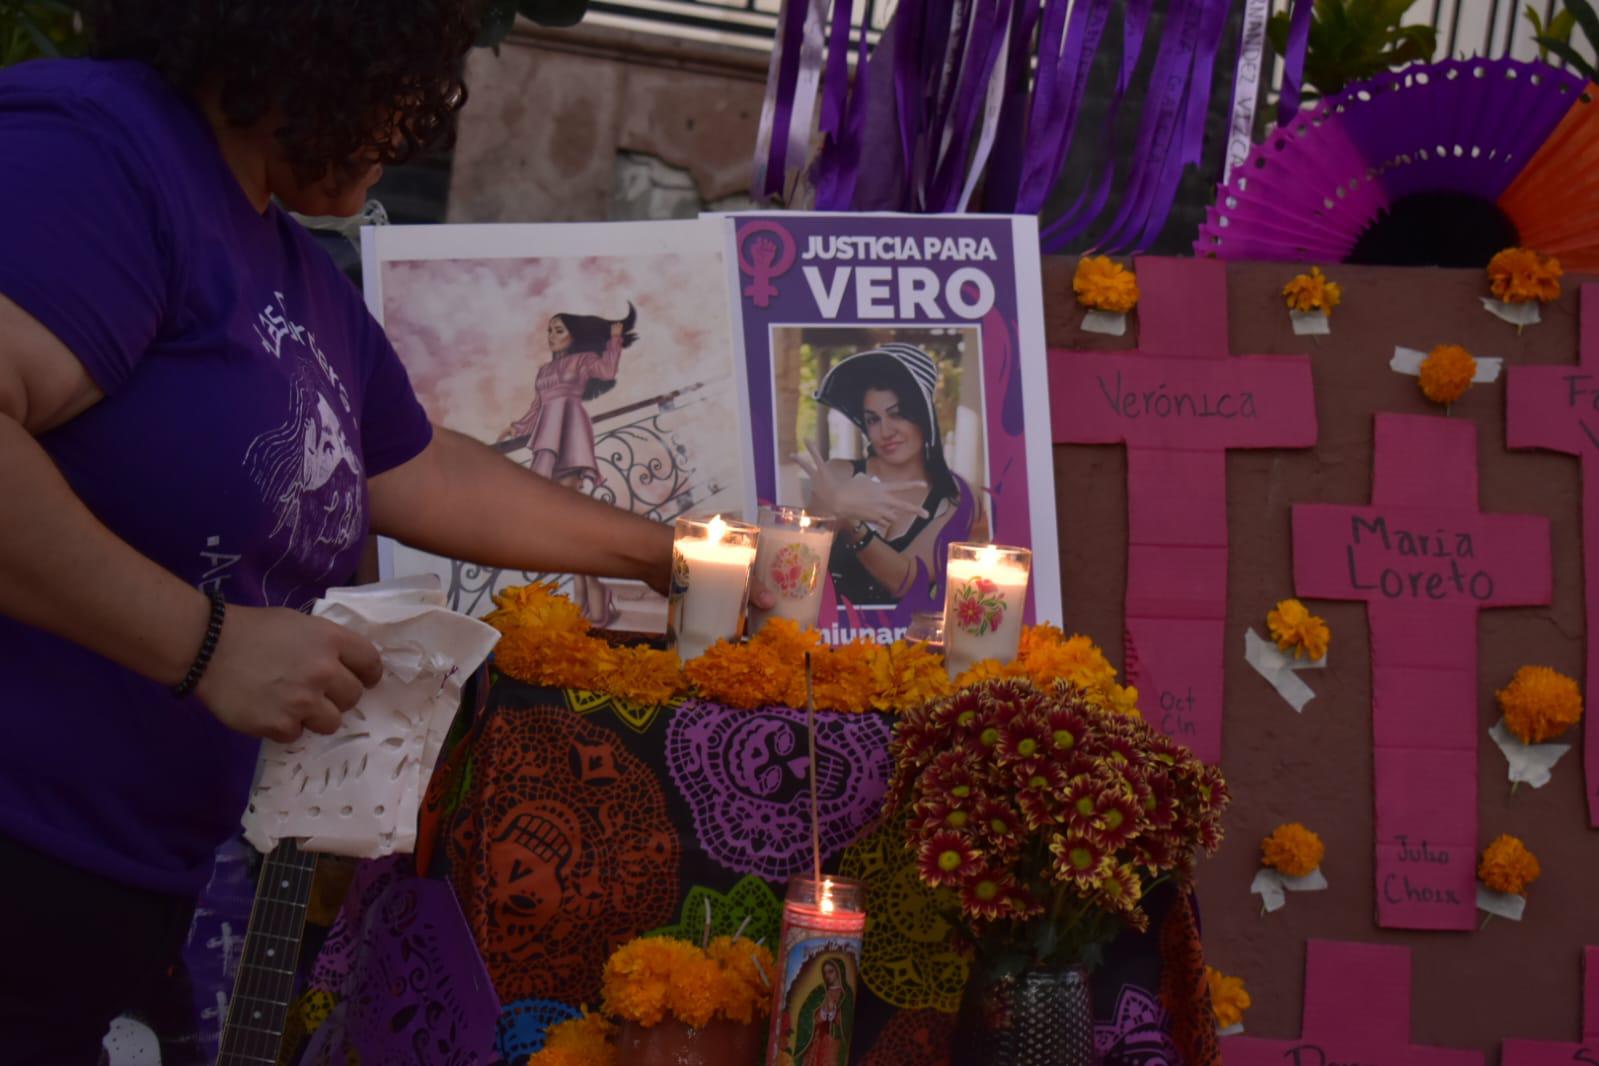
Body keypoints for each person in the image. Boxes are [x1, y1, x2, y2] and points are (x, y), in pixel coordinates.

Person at [0, 3, 672, 1060]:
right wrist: (205, 643)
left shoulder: (292, 266)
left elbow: (422, 471)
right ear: (324, 43)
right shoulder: (104, 149)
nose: (415, 122)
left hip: (112, 898)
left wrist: (670, 554)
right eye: (412, 76)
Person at [797, 343, 984, 611]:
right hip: (827, 632)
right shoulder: (837, 473)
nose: (886, 431)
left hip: (910, 636)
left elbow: (907, 581)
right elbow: (799, 560)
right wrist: (832, 509)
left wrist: (851, 521)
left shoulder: (955, 500)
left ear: (923, 417)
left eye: (897, 414)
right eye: (873, 420)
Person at [500, 304, 640, 625]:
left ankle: (589, 600)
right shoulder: (544, 371)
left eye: (558, 330)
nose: (551, 336)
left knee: (571, 522)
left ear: (573, 335)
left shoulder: (582, 361)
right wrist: (515, 428)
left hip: (571, 433)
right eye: (549, 330)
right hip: (547, 438)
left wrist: (615, 339)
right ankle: (590, 598)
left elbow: (608, 371)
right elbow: (537, 408)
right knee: (567, 526)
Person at [791, 956, 853, 1066]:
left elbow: (847, 1020)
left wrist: (834, 1013)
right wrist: (822, 1013)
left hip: (833, 1042)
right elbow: (806, 1013)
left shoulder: (846, 994)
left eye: (831, 971)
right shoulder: (819, 991)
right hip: (817, 1040)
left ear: (839, 971)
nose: (827, 975)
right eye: (825, 973)